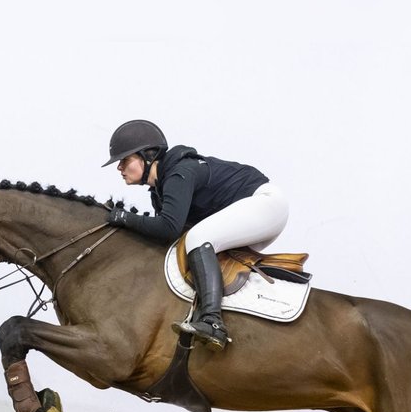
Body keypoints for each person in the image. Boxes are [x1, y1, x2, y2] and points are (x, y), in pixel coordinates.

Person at [102, 119, 289, 351]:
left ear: (148, 156)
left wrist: (124, 218)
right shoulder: (159, 192)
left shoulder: (180, 173)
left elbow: (167, 227)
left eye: (124, 160)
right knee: (192, 244)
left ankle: (213, 322)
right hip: (254, 212)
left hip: (265, 205)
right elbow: (168, 238)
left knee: (198, 239)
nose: (119, 167)